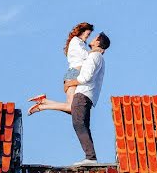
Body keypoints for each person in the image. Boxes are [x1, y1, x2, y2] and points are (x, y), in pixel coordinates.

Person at [27, 31, 110, 165]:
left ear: (98, 42)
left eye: (94, 38)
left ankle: (90, 158)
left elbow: (85, 77)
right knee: (80, 122)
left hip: (82, 94)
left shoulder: (94, 56)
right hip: (87, 95)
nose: (92, 39)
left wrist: (70, 83)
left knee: (79, 124)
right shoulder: (97, 57)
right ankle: (90, 157)